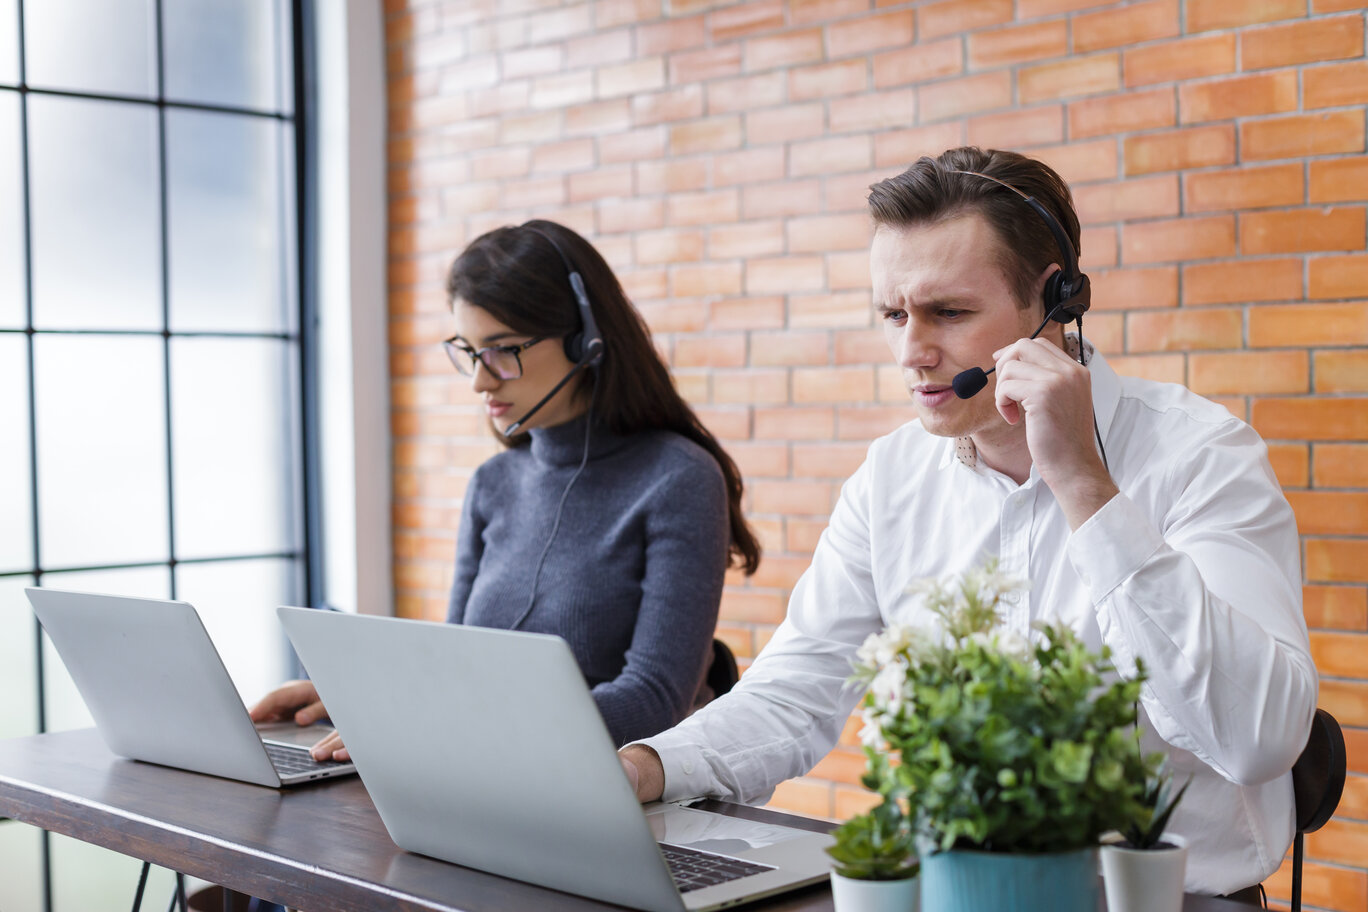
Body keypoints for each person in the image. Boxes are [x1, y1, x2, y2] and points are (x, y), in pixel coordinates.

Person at [619, 147, 1316, 899]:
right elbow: (798, 690)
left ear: (1056, 301)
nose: (913, 352)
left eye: (948, 312)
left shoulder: (1201, 455)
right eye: (893, 314)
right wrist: (648, 765)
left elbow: (1259, 738)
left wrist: (1086, 485)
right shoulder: (891, 478)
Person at [253, 219, 761, 752]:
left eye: (502, 350)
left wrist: (443, 725)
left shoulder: (678, 478)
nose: (480, 380)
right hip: (484, 777)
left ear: (584, 341)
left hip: (608, 795)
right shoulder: (492, 483)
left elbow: (654, 699)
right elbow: (461, 671)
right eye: (469, 351)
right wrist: (364, 699)